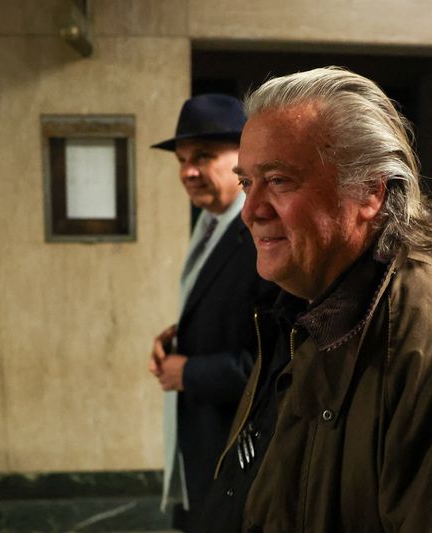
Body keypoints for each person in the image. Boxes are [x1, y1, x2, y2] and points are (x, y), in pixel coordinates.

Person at [199, 67, 432, 532]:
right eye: (247, 183)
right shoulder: (309, 303)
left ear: (369, 192)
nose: (251, 211)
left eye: (278, 180)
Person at [149, 94, 276, 532]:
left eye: (202, 156)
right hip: (201, 446)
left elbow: (279, 363)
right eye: (182, 159)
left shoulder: (263, 240)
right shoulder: (208, 223)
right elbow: (229, 315)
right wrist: (178, 334)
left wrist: (191, 372)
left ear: (243, 158)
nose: (187, 171)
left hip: (236, 459)